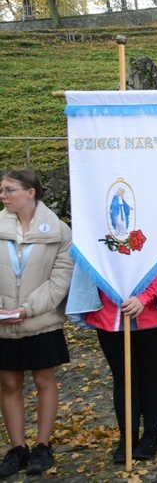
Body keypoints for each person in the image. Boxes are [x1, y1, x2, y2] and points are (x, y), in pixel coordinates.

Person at [67, 219, 157, 464]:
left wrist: (144, 297)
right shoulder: (100, 213)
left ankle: (151, 436)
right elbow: (94, 256)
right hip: (112, 311)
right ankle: (127, 437)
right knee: (123, 376)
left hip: (153, 313)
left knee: (152, 373)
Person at [0, 169, 73, 477]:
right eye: (2, 190)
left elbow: (60, 279)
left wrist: (26, 310)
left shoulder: (58, 230)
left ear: (30, 192)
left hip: (41, 320)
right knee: (8, 383)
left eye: (9, 190)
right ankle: (17, 449)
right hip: (2, 321)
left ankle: (42, 446)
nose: (2, 195)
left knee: (44, 381)